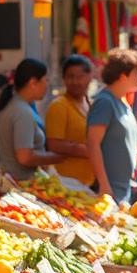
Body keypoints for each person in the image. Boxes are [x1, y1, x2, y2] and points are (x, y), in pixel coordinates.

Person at [87, 48, 137, 203]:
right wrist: (104, 185)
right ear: (122, 76)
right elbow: (93, 144)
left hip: (125, 190)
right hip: (110, 191)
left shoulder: (124, 102)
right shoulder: (105, 102)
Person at [0, 59, 62, 181]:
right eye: (46, 80)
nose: (47, 85)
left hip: (14, 180)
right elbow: (25, 157)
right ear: (33, 83)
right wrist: (58, 158)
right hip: (22, 183)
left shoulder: (14, 105)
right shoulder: (22, 112)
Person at [45, 55, 95, 186]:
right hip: (66, 183)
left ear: (90, 77)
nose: (75, 82)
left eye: (80, 77)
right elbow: (54, 144)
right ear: (64, 79)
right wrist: (89, 150)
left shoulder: (92, 105)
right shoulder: (59, 106)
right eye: (70, 77)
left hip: (91, 182)